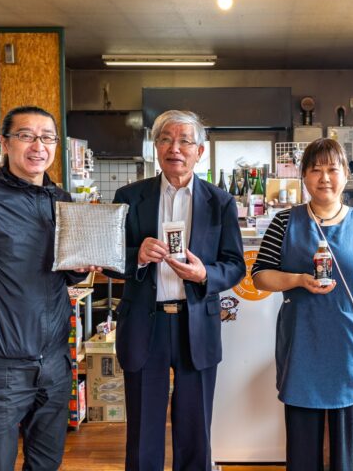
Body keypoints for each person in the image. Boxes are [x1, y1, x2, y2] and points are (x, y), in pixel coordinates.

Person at [0, 106, 91, 470]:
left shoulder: (62, 201)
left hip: (54, 362)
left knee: (46, 463)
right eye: (26, 136)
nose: (38, 146)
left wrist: (77, 270)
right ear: (5, 143)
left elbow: (62, 275)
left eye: (47, 137)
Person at [111, 110, 245, 470]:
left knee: (195, 431)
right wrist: (136, 256)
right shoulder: (129, 197)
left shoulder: (220, 202)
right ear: (156, 147)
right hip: (146, 323)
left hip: (196, 323)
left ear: (199, 151)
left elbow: (235, 264)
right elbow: (109, 260)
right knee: (143, 432)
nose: (175, 148)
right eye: (166, 139)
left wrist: (204, 274)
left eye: (185, 141)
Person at [252, 138, 353, 470]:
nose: (325, 177)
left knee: (349, 443)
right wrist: (299, 280)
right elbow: (260, 277)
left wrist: (349, 299)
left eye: (333, 169)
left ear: (346, 175)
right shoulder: (284, 223)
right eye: (315, 170)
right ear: (303, 175)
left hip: (348, 344)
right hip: (302, 341)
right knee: (303, 437)